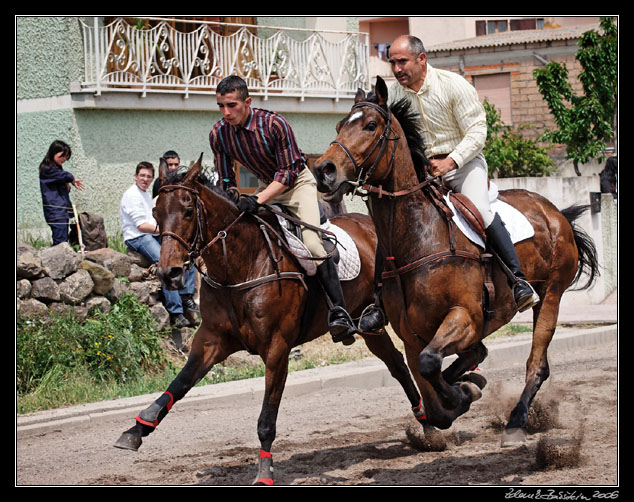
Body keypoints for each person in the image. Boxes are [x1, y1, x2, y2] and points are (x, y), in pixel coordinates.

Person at [358, 35, 539, 333]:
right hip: (423, 174)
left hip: (464, 165)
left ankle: (518, 280)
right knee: (391, 224)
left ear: (421, 59)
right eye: (392, 62)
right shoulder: (393, 95)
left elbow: (478, 131)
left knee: (480, 208)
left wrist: (451, 161)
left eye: (402, 61)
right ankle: (378, 303)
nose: (397, 68)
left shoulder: (453, 85)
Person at [209, 75, 356, 344]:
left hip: (297, 184)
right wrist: (232, 198)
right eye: (221, 106)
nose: (226, 112)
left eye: (231, 105)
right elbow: (226, 177)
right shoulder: (218, 133)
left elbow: (288, 174)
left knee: (311, 244)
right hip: (267, 187)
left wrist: (258, 199)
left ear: (248, 102)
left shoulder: (275, 124)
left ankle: (340, 313)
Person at [121, 161, 198, 328]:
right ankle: (176, 312)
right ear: (135, 176)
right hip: (138, 237)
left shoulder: (146, 195)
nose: (145, 179)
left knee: (187, 255)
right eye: (142, 175)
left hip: (152, 234)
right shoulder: (132, 195)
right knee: (167, 265)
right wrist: (163, 230)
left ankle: (186, 296)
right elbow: (141, 226)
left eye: (149, 176)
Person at [39, 140, 84, 245]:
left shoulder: (56, 169)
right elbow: (64, 176)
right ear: (53, 153)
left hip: (62, 211)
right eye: (62, 156)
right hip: (55, 211)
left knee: (63, 239)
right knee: (60, 242)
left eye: (66, 157)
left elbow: (63, 181)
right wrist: (71, 178)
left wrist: (68, 182)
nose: (64, 159)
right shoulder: (47, 169)